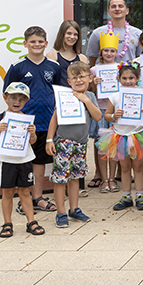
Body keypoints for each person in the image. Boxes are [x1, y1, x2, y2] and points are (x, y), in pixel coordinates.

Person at [3, 26, 68, 214]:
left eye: (40, 42)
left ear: (46, 44)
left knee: (40, 162)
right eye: (32, 42)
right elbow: (6, 93)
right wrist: (16, 116)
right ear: (25, 44)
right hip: (24, 124)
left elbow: (58, 91)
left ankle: (37, 197)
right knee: (23, 162)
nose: (37, 45)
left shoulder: (54, 66)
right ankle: (24, 198)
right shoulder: (17, 67)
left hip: (46, 122)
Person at [46, 62, 101, 228]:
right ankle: (60, 212)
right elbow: (55, 118)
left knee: (76, 177)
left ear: (90, 78)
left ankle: (74, 209)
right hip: (63, 142)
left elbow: (98, 116)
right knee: (61, 179)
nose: (78, 80)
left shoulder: (90, 96)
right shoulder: (64, 95)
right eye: (74, 77)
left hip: (81, 143)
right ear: (69, 81)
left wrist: (85, 99)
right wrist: (49, 139)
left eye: (82, 76)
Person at [0, 83, 44, 238]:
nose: (17, 102)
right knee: (7, 192)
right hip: (7, 161)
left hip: (25, 160)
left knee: (25, 191)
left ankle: (31, 221)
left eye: (22, 99)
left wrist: (33, 134)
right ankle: (7, 223)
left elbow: (32, 142)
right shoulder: (0, 119)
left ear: (26, 101)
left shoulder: (27, 119)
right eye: (13, 97)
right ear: (5, 98)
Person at [99, 62, 143, 212]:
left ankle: (140, 195)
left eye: (131, 78)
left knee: (138, 167)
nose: (128, 81)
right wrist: (114, 115)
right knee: (125, 167)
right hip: (120, 136)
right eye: (125, 78)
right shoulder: (114, 97)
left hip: (137, 134)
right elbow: (107, 116)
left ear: (137, 78)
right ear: (118, 78)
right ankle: (126, 196)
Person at [90, 31, 120, 192]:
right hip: (101, 110)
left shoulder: (120, 68)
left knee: (114, 147)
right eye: (106, 50)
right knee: (102, 147)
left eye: (112, 50)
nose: (109, 53)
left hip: (116, 112)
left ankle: (112, 178)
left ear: (116, 52)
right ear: (101, 51)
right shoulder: (94, 70)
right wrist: (93, 83)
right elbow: (90, 91)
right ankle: (103, 179)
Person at [87, 0, 142, 65]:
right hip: (105, 73)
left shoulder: (137, 33)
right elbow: (92, 57)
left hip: (129, 74)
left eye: (120, 6)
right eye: (113, 6)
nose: (117, 9)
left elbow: (139, 58)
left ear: (127, 11)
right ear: (108, 11)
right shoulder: (98, 33)